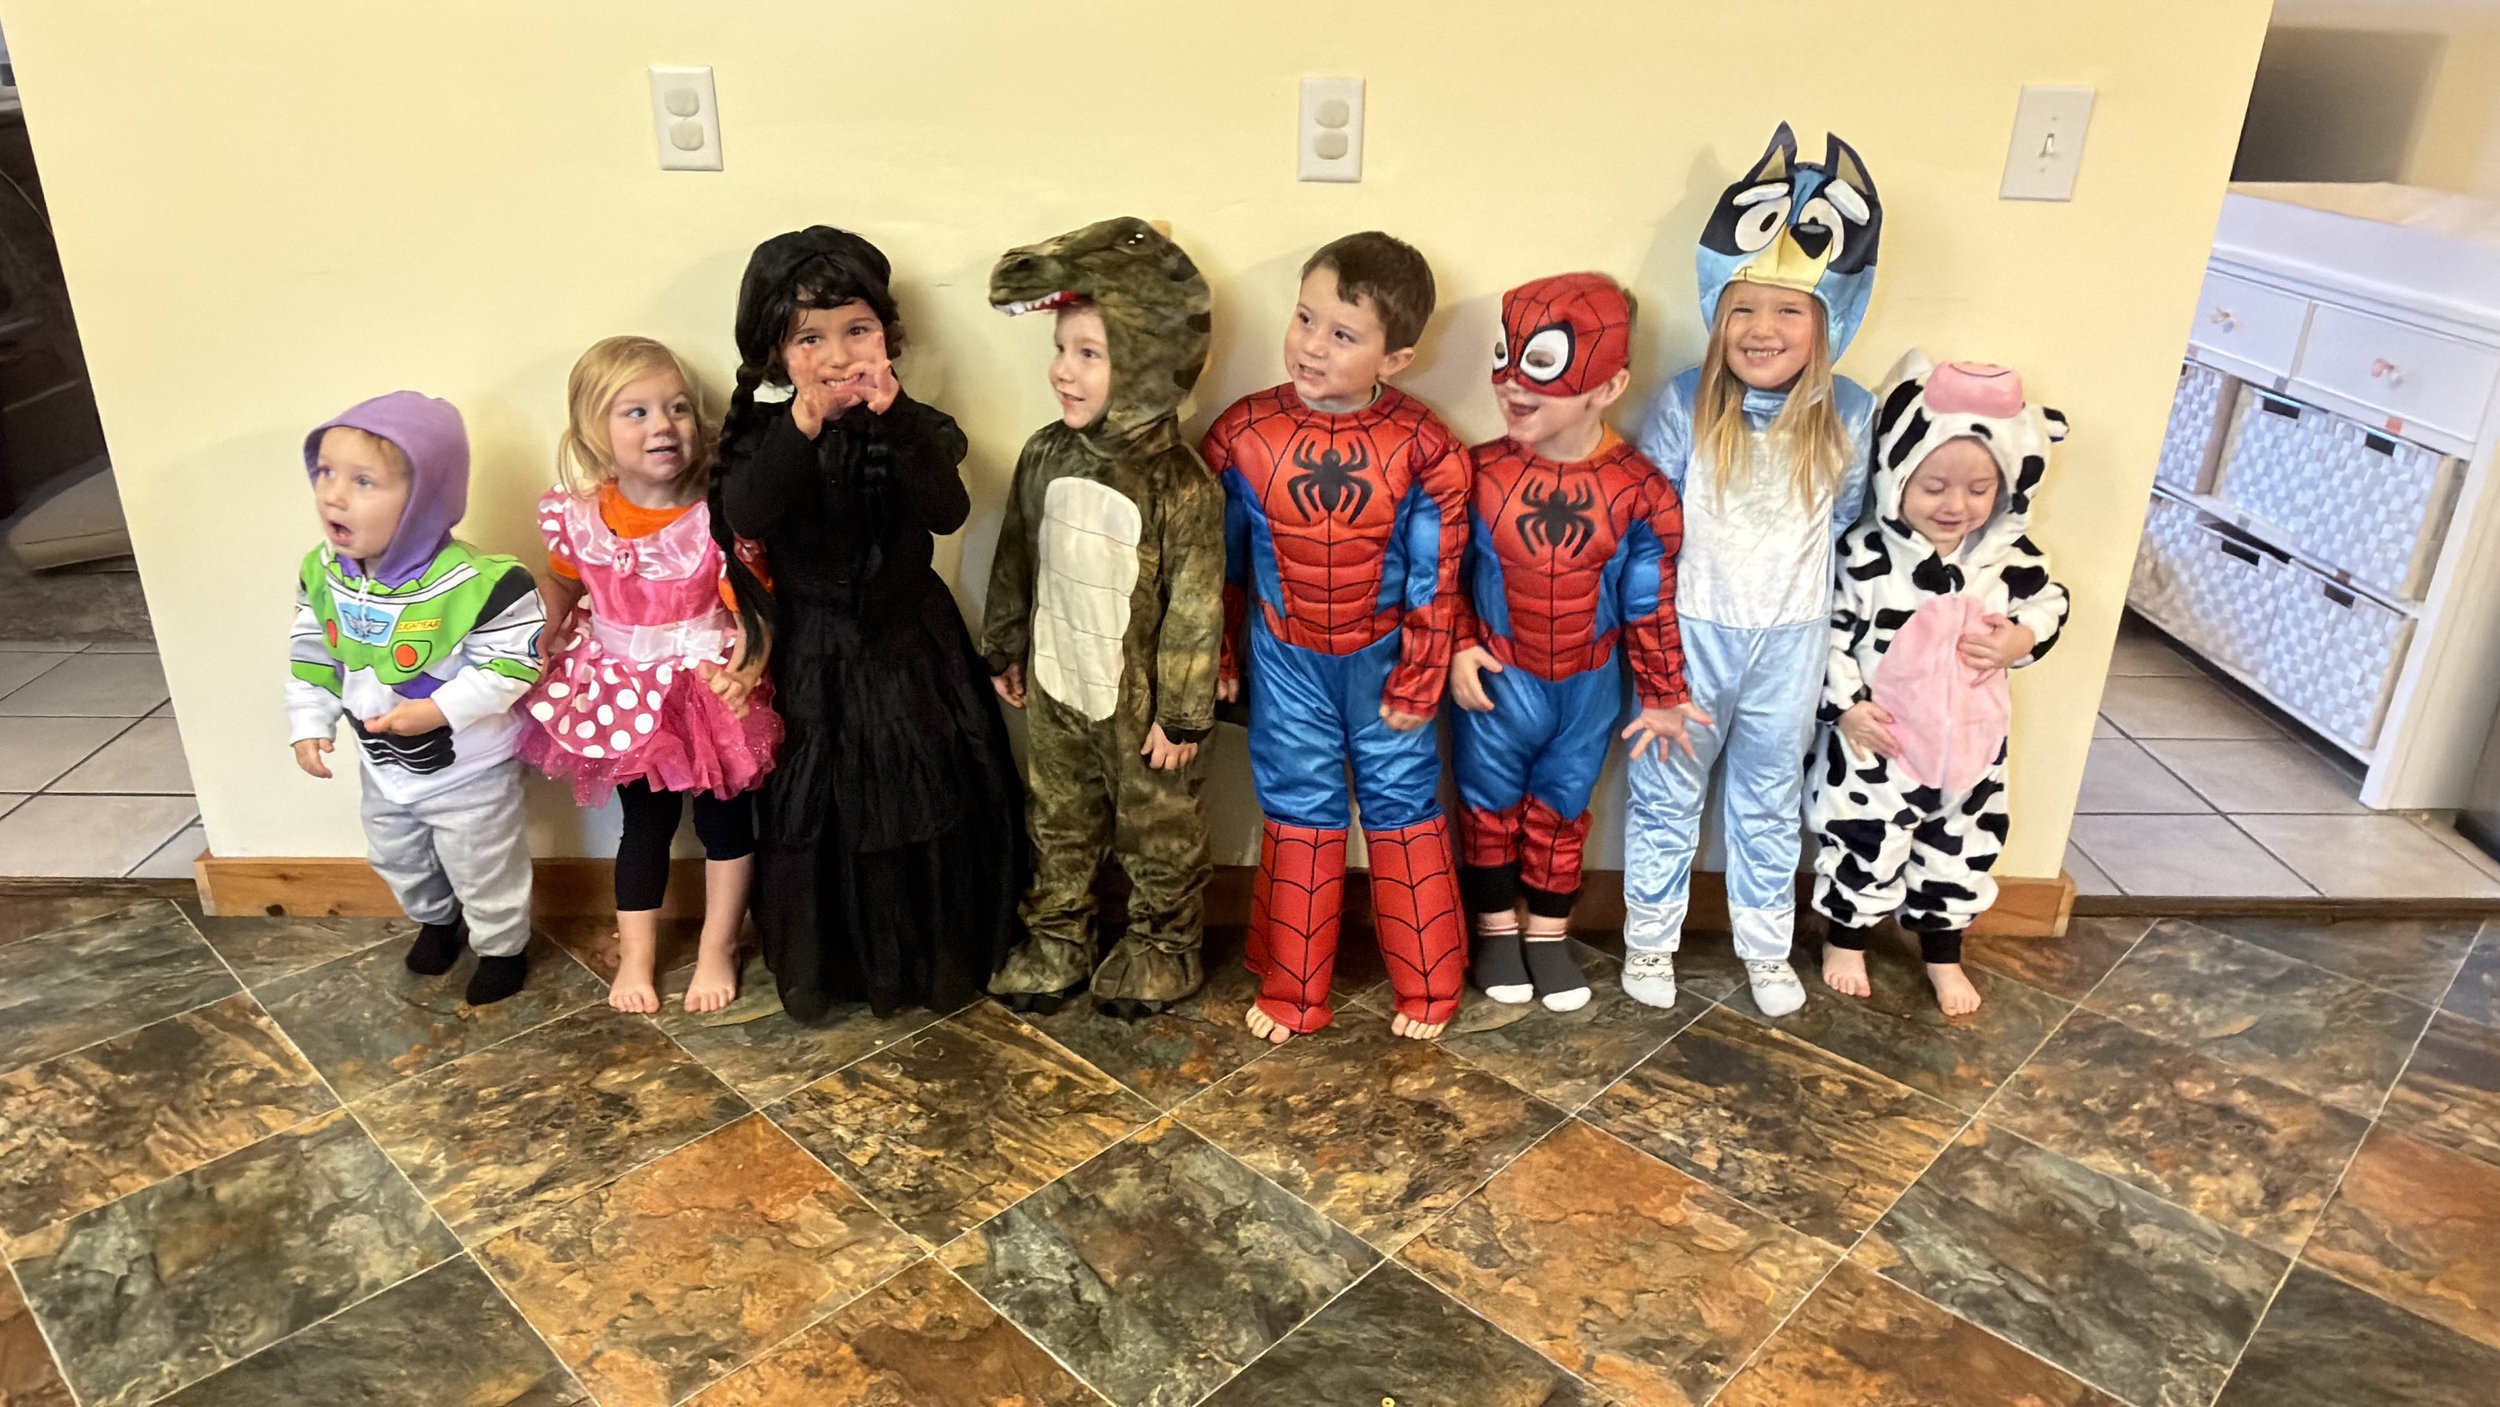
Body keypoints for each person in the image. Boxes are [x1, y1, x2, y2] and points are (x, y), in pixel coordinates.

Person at [710, 227, 1026, 1021]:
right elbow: (749, 512)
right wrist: (804, 424)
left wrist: (898, 418)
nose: (837, 353)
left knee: (926, 789)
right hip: (813, 650)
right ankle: (843, 961)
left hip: (911, 642)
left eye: (857, 329)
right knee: (826, 807)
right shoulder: (763, 438)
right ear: (776, 353)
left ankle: (931, 952)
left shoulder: (917, 423)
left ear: (887, 334)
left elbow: (947, 511)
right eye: (809, 338)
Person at [1620, 123, 1885, 1017]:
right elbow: (1651, 523)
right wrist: (1654, 654)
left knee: (1768, 799)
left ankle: (1766, 948)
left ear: (1827, 321)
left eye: (1788, 311)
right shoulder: (1684, 401)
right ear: (1717, 314)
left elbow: (1845, 516)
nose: (1762, 329)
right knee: (1667, 790)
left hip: (1790, 642)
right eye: (1744, 309)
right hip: (1690, 635)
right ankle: (1649, 938)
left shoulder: (1850, 412)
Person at [1200, 231, 1470, 1042]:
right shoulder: (1243, 434)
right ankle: (1292, 988)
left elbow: (1436, 574)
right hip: (1286, 661)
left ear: (1398, 357)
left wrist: (1420, 676)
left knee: (1404, 806)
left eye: (1344, 333)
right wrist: (1219, 653)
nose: (1313, 345)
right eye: (1305, 318)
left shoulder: (1424, 447)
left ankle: (1430, 985)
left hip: (1385, 661)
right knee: (1297, 810)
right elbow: (1217, 562)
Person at [981, 216, 1224, 1019]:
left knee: (1157, 826)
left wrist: (1182, 715)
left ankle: (1164, 942)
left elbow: (1195, 604)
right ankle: (1058, 935)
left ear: (1146, 362)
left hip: (1141, 706)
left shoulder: (1181, 483)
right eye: (1061, 349)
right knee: (1057, 816)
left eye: (1090, 353)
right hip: (1059, 683)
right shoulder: (1043, 453)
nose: (1063, 370)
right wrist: (1004, 643)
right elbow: (1017, 552)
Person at [1449, 273, 1694, 1013]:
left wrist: (1664, 694)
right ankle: (1496, 930)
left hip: (1587, 688)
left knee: (1563, 809)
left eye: (1541, 366)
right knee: (1487, 807)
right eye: (1505, 357)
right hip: (1497, 678)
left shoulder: (1639, 489)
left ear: (1609, 384)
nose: (1512, 382)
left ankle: (1548, 934)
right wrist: (1457, 642)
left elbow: (1650, 601)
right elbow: (1437, 572)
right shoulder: (1476, 473)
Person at [520, 335, 780, 1015]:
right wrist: (539, 627)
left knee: (726, 823)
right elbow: (564, 580)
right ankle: (637, 952)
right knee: (644, 824)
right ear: (595, 433)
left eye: (677, 408)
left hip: (707, 689)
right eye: (635, 412)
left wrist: (746, 670)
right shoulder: (580, 515)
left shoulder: (717, 516)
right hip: (624, 693)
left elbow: (756, 607)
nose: (663, 425)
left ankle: (720, 943)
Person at [1808, 354, 2070, 1015]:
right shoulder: (1865, 556)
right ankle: (1847, 940)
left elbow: (2051, 602)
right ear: (1896, 476)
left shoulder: (2007, 560)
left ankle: (1943, 953)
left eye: (1979, 489)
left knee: (1963, 850)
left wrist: (2021, 638)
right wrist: (1846, 709)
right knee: (1865, 842)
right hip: (1881, 744)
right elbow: (1826, 633)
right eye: (1934, 487)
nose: (1957, 506)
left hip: (1974, 751)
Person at [286, 391, 546, 1006]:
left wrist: (438, 710)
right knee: (396, 854)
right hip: (382, 764)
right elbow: (312, 651)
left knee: (484, 866)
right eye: (325, 472)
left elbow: (515, 664)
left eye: (363, 481)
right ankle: (436, 920)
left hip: (469, 770)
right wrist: (309, 721)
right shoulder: (324, 572)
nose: (333, 495)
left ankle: (502, 949)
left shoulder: (482, 583)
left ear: (424, 498)